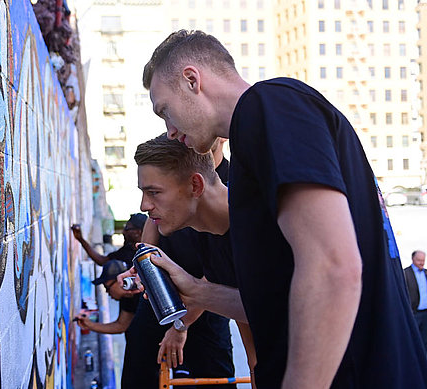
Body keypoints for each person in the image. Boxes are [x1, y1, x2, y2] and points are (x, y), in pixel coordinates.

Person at [135, 29, 427, 388]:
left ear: (192, 80)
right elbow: (281, 305)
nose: (168, 130)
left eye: (165, 110)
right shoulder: (252, 146)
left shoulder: (268, 105)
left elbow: (333, 269)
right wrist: (198, 292)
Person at [122, 137, 250, 389]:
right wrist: (145, 269)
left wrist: (182, 323)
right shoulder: (204, 225)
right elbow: (255, 319)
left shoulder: (247, 220)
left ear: (196, 185)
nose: (144, 206)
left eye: (154, 192)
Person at [75, 260, 140, 334]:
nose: (107, 292)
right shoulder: (127, 299)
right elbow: (121, 326)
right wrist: (89, 324)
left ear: (120, 280)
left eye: (107, 287)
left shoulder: (144, 294)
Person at [71, 213, 146, 266]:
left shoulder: (148, 253)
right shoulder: (127, 250)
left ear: (138, 232)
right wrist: (80, 239)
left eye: (127, 229)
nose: (123, 232)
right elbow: (102, 261)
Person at [404, 250, 427, 353]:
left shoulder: (426, 273)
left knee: (425, 340)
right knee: (412, 339)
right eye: (419, 260)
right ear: (413, 259)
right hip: (414, 313)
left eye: (423, 261)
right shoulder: (405, 273)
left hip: (425, 313)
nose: (421, 263)